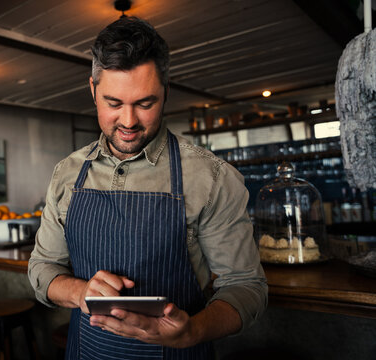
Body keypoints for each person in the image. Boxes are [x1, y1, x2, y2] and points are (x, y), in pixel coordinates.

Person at [28, 16, 267, 359]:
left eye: (145, 103)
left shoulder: (211, 177)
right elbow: (42, 267)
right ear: (93, 90)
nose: (128, 121)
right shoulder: (67, 173)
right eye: (113, 103)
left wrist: (194, 330)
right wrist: (81, 292)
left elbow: (247, 287)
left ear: (166, 93)